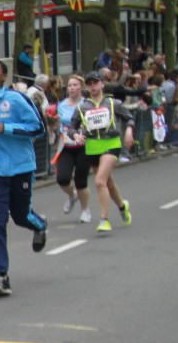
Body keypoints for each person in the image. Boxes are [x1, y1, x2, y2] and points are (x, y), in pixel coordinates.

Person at [0, 58, 49, 297]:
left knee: (20, 215)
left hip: (20, 168)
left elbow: (38, 128)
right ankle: (0, 276)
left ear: (4, 76)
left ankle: (40, 225)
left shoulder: (16, 99)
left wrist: (4, 128)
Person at [68, 71, 134, 233]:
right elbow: (71, 127)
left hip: (111, 143)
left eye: (95, 83)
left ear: (102, 84)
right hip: (92, 147)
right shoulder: (82, 107)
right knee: (108, 183)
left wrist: (128, 131)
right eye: (89, 84)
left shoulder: (113, 103)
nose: (93, 87)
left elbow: (129, 118)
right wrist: (75, 135)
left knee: (99, 181)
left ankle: (104, 220)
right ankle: (122, 206)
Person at [53, 75, 92, 224]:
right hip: (67, 145)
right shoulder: (61, 105)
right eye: (69, 85)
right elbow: (59, 123)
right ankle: (72, 195)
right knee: (62, 178)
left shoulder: (87, 104)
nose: (72, 88)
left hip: (84, 145)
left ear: (81, 87)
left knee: (81, 180)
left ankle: (85, 210)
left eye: (75, 85)